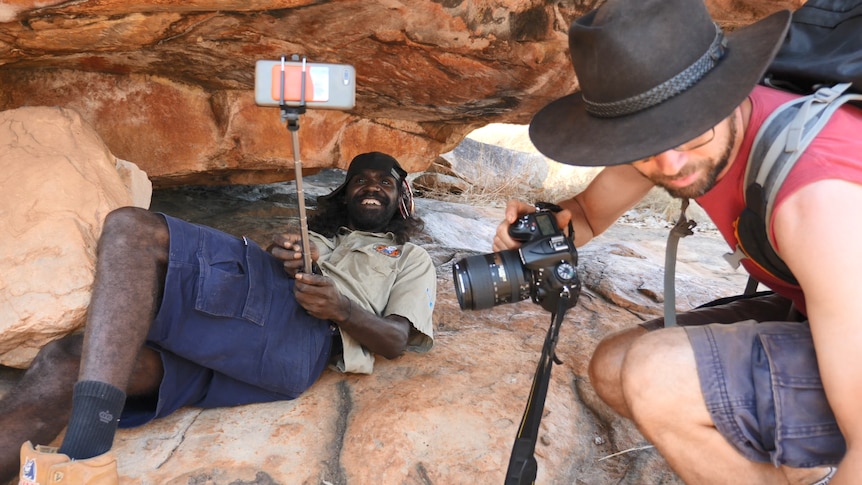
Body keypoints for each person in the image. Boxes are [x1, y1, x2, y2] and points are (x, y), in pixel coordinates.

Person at [493, 0, 862, 483]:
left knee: (659, 376)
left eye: (685, 130)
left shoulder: (817, 204)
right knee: (614, 366)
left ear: (724, 92)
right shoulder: (668, 131)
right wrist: (539, 235)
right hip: (825, 312)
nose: (669, 164)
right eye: (645, 141)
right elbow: (585, 214)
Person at [0, 151, 437, 484]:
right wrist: (276, 257)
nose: (371, 186)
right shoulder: (316, 237)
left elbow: (396, 340)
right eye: (360, 180)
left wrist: (341, 309)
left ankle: (85, 457)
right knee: (66, 359)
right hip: (246, 355)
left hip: (303, 341)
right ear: (345, 194)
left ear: (403, 198)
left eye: (386, 181)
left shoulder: (410, 258)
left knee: (131, 229)